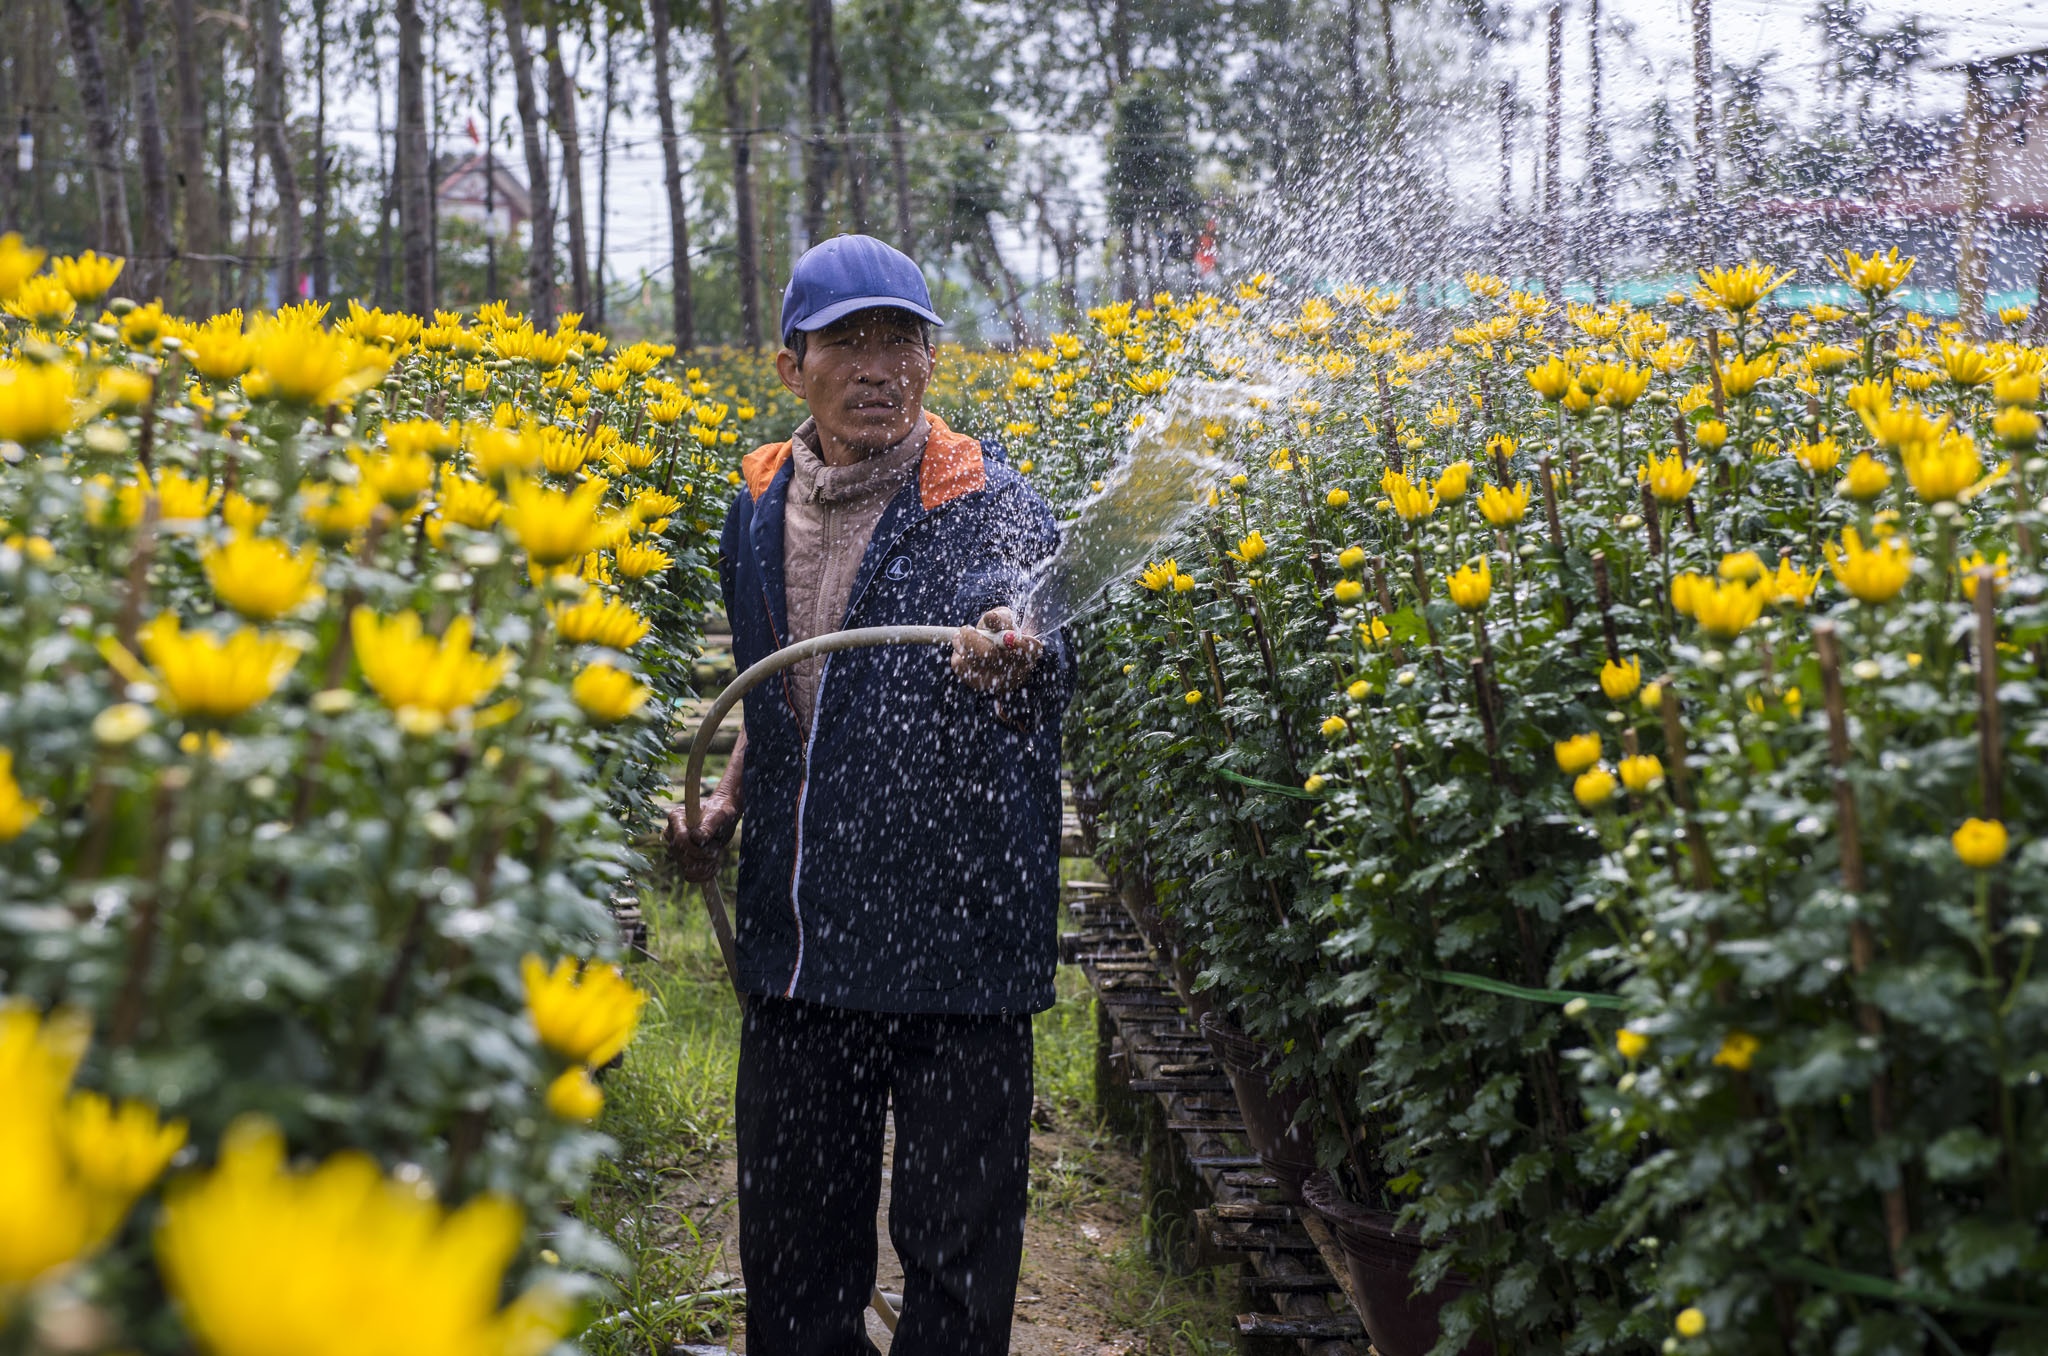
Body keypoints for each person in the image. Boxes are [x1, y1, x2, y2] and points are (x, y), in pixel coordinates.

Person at [666, 233, 1073, 1356]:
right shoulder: (756, 505)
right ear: (791, 366)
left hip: (958, 952)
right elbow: (785, 692)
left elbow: (1033, 629)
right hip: (802, 949)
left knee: (956, 1260)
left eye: (903, 341)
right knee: (795, 1255)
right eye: (848, 342)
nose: (880, 367)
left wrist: (1011, 647)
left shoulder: (987, 500)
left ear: (932, 362)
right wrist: (729, 801)